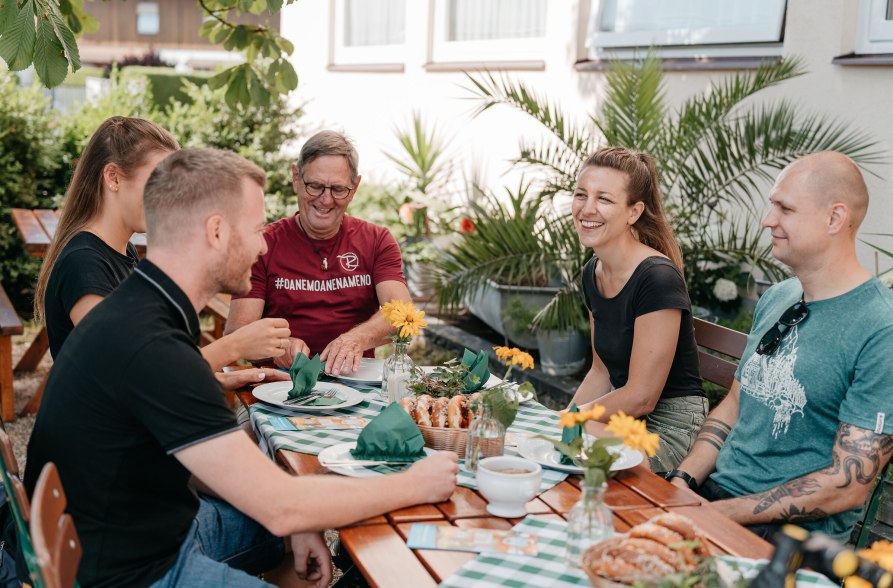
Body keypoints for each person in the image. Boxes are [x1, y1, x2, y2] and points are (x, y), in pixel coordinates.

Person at [23, 148, 458, 588]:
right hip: (138, 572)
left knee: (292, 532)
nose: (264, 244)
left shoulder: (140, 310)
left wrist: (297, 518)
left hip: (139, 532)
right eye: (255, 229)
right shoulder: (155, 347)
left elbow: (209, 469)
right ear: (216, 232)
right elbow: (282, 507)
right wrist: (416, 483)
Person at [667, 152, 893, 542]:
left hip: (791, 535)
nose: (768, 220)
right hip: (714, 498)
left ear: (834, 218)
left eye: (785, 209)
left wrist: (717, 515)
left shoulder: (880, 328)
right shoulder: (779, 297)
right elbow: (734, 405)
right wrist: (682, 481)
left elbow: (848, 485)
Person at [33, 117, 291, 388]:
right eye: (157, 183)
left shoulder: (123, 252)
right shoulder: (83, 262)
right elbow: (128, 369)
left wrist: (215, 379)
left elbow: (149, 358)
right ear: (113, 177)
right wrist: (234, 346)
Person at [225, 130, 411, 376]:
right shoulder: (263, 244)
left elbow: (403, 314)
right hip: (277, 385)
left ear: (354, 188)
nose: (325, 200)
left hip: (354, 381)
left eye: (338, 189)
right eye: (315, 186)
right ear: (296, 178)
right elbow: (237, 331)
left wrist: (355, 339)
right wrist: (278, 347)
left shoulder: (377, 241)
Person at [567, 147, 707, 472]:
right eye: (581, 194)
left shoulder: (657, 278)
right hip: (623, 419)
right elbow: (601, 372)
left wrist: (569, 421)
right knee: (551, 446)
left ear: (634, 212)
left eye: (604, 199)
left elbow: (643, 396)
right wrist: (563, 421)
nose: (587, 208)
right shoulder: (593, 272)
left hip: (668, 428)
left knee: (567, 450)